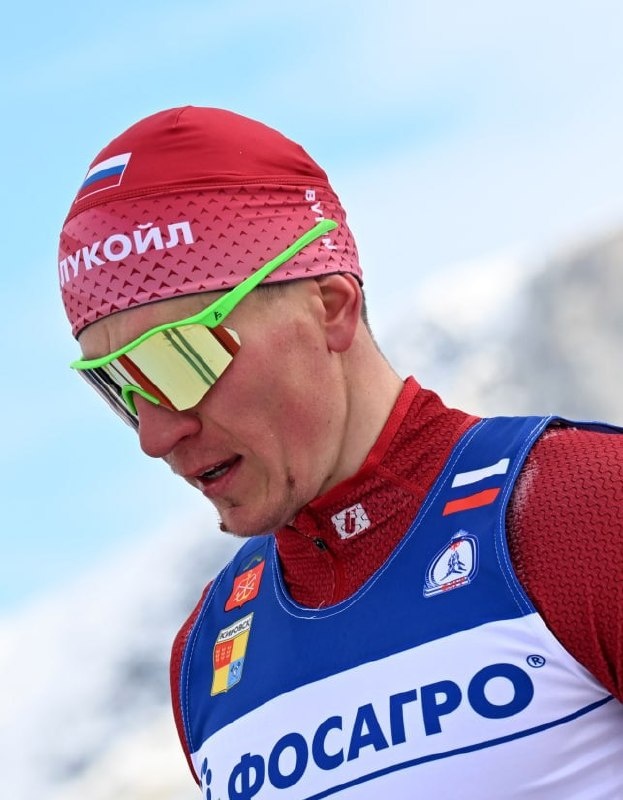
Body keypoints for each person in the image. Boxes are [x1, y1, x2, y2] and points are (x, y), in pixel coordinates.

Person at [58, 106, 623, 799]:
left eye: (178, 361)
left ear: (330, 307)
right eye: (116, 387)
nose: (154, 435)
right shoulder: (209, 652)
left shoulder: (583, 505)